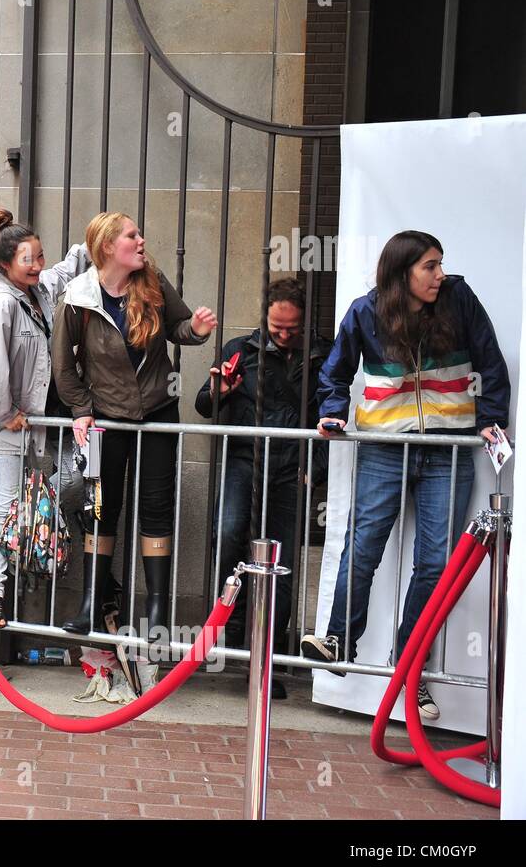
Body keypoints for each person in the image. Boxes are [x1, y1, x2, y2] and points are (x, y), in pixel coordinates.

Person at [301, 230, 510, 721]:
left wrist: (490, 418)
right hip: (383, 448)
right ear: (402, 273)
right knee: (364, 546)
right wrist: (333, 412)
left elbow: (492, 364)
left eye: (440, 264)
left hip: (446, 450)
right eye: (430, 266)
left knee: (437, 562)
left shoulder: (458, 299)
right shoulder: (365, 310)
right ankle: (337, 641)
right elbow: (334, 373)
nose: (440, 274)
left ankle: (409, 663)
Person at [51, 212, 215, 682]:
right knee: (103, 509)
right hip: (106, 419)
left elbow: (179, 328)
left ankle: (158, 612)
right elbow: (63, 365)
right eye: (131, 235)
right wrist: (81, 408)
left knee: (158, 508)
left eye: (140, 233)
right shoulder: (79, 298)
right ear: (107, 246)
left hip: (158, 413)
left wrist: (198, 330)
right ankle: (90, 604)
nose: (141, 240)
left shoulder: (153, 281)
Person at [194, 277, 330, 697]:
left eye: (292, 329)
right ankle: (228, 633)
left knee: (282, 563)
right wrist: (219, 390)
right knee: (229, 537)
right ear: (265, 318)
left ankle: (264, 659)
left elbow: (332, 415)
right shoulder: (240, 351)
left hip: (292, 468)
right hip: (244, 461)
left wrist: (316, 468)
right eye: (277, 328)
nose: (284, 335)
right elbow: (203, 404)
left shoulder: (323, 354)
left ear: (304, 321)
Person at [0, 210, 84, 630]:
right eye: (27, 259)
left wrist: (94, 245)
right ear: (5, 264)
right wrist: (4, 413)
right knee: (1, 505)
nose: (36, 265)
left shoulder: (39, 290)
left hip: (45, 419)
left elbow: (64, 271)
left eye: (39, 256)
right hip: (12, 425)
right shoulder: (0, 304)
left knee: (73, 481)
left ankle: (32, 535)